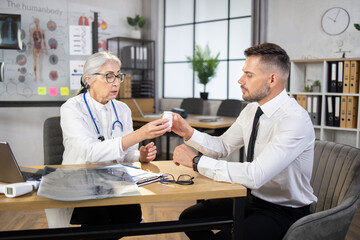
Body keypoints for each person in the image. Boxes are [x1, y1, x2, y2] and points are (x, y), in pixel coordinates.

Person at [171, 43, 317, 240]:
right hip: (250, 198)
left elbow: (256, 175)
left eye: (249, 75)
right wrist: (189, 133)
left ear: (272, 79)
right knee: (189, 218)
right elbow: (223, 146)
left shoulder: (294, 119)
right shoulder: (251, 110)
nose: (240, 80)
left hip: (283, 210)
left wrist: (197, 162)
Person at [45, 51, 169, 231]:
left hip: (113, 181)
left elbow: (126, 153)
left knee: (131, 219)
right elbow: (89, 152)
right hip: (80, 181)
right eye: (109, 76)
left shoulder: (122, 109)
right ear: (88, 79)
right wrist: (139, 135)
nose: (116, 82)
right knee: (99, 221)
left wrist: (140, 155)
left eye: (118, 76)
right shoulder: (72, 108)